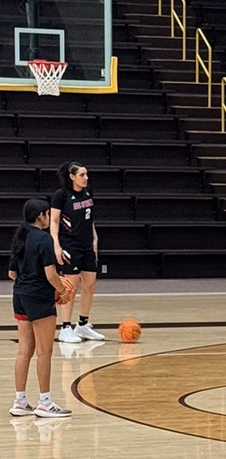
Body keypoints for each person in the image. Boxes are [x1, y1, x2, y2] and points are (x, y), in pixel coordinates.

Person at [9, 199, 73, 419]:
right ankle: (45, 403)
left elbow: (12, 274)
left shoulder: (20, 237)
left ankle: (20, 402)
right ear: (40, 216)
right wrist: (63, 292)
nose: (48, 217)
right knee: (44, 352)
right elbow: (51, 275)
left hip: (19, 295)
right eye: (47, 214)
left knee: (24, 350)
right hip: (38, 296)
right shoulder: (44, 239)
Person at [49, 162, 104, 343]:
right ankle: (65, 327)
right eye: (82, 175)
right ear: (72, 177)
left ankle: (82, 325)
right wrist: (56, 245)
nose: (86, 178)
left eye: (86, 174)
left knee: (90, 285)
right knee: (70, 288)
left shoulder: (89, 192)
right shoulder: (61, 195)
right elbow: (55, 222)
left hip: (87, 244)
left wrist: (94, 238)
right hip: (69, 245)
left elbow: (90, 218)